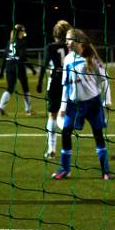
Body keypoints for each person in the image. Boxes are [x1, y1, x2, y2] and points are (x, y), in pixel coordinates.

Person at [53, 28, 113, 180]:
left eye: (69, 39)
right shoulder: (67, 59)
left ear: (78, 41)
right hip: (74, 105)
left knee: (98, 136)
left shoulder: (91, 58)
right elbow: (65, 85)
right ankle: (65, 170)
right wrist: (62, 107)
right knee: (66, 133)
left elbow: (104, 80)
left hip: (93, 104)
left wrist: (107, 100)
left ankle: (105, 171)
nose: (66, 42)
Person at [37, 20, 73, 158]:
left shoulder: (50, 47)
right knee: (65, 113)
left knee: (52, 114)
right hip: (68, 81)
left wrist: (40, 82)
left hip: (55, 81)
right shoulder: (70, 45)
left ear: (54, 34)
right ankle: (66, 147)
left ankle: (51, 149)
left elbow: (44, 65)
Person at [0, 24, 37, 116]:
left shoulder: (9, 42)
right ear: (20, 32)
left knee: (10, 88)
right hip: (18, 66)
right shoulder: (22, 42)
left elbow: (5, 57)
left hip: (9, 66)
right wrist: (31, 68)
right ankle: (28, 110)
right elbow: (23, 57)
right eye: (23, 31)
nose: (24, 32)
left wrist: (2, 71)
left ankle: (1, 106)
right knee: (25, 89)